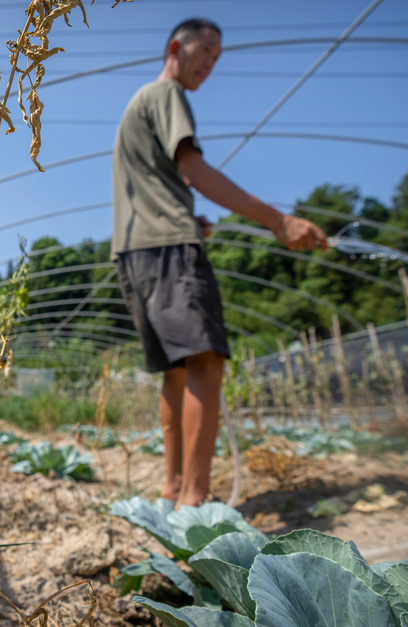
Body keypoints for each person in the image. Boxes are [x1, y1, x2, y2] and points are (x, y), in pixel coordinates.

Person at [111, 18, 327, 508]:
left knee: (176, 370)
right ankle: (194, 502)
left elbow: (164, 184)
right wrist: (278, 220)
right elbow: (193, 169)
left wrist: (193, 217)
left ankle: (171, 491)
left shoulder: (138, 104)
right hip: (168, 247)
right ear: (175, 47)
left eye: (217, 57)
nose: (210, 63)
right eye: (205, 50)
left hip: (135, 251)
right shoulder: (166, 95)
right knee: (205, 363)